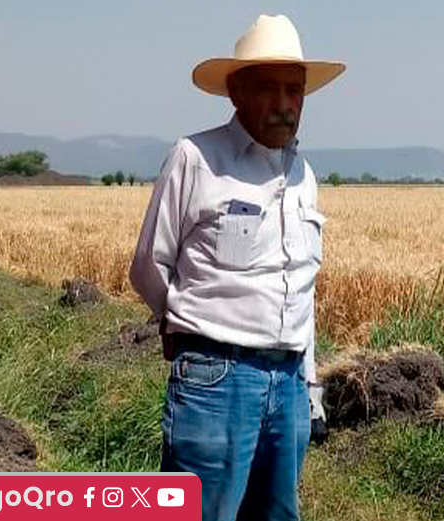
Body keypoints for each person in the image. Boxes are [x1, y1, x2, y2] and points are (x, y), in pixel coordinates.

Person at [128, 13, 345, 521]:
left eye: (295, 90)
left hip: (290, 384)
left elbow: (301, 288)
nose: (284, 104)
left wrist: (310, 385)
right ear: (236, 92)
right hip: (216, 379)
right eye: (268, 89)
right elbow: (148, 264)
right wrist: (182, 324)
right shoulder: (196, 158)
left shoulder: (304, 175)